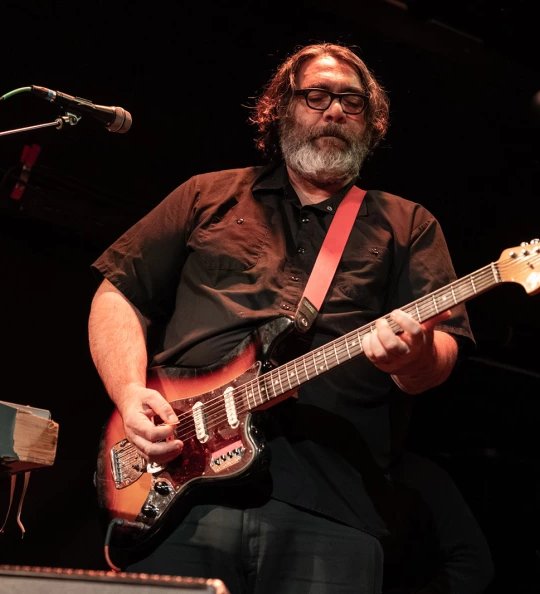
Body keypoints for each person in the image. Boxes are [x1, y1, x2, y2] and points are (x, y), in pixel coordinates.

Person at [88, 42, 487, 593]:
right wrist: (129, 393)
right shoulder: (207, 195)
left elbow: (441, 355)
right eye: (317, 95)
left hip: (336, 510)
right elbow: (117, 294)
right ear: (281, 109)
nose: (335, 111)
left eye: (352, 101)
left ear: (372, 124)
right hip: (179, 495)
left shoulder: (408, 224)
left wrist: (414, 355)